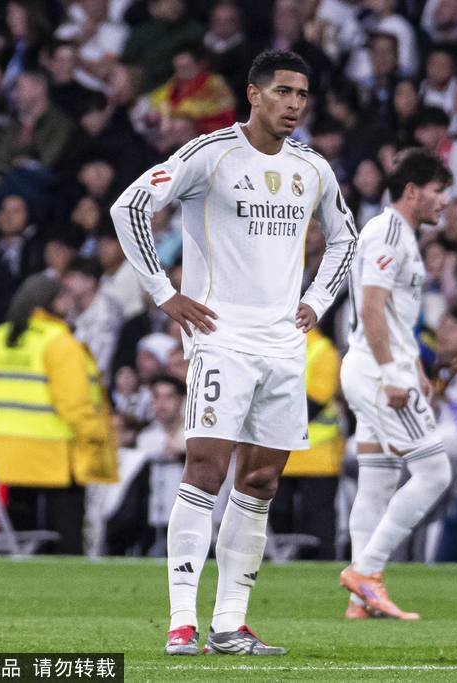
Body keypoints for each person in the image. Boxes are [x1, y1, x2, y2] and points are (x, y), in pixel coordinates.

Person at [108, 50, 356, 656]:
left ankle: (230, 623)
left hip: (284, 344)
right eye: (283, 91)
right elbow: (129, 206)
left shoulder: (312, 167)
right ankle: (181, 621)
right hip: (221, 336)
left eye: (302, 94)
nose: (294, 104)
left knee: (263, 479)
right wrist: (165, 294)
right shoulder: (210, 154)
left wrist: (318, 300)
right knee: (205, 468)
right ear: (253, 94)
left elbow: (345, 235)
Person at [339, 148, 453, 619]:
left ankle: (359, 602)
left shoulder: (398, 233)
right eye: (438, 190)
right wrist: (392, 373)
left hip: (377, 366)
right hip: (377, 371)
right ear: (412, 190)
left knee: (378, 482)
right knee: (435, 474)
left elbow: (392, 315)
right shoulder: (388, 232)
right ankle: (367, 572)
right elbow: (371, 307)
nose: (445, 201)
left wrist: (416, 368)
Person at [0, 274, 117, 555]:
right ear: (52, 301)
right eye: (64, 297)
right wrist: (97, 440)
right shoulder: (58, 342)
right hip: (54, 455)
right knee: (66, 541)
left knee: (19, 543)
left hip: (4, 456)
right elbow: (75, 404)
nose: (70, 303)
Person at [272, 324, 344, 561]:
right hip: (284, 452)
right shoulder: (277, 345)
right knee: (280, 519)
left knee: (317, 523)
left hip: (315, 455)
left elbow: (315, 401)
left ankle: (320, 567)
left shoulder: (321, 349)